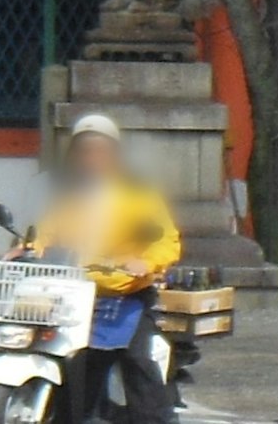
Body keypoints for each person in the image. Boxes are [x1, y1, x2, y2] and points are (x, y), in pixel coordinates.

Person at [24, 113, 185, 424]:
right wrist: (29, 249)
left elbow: (165, 239)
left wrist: (146, 262)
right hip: (77, 293)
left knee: (138, 360)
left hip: (126, 295)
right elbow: (47, 234)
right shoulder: (70, 196)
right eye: (84, 150)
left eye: (100, 151)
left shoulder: (138, 194)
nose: (92, 158)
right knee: (71, 363)